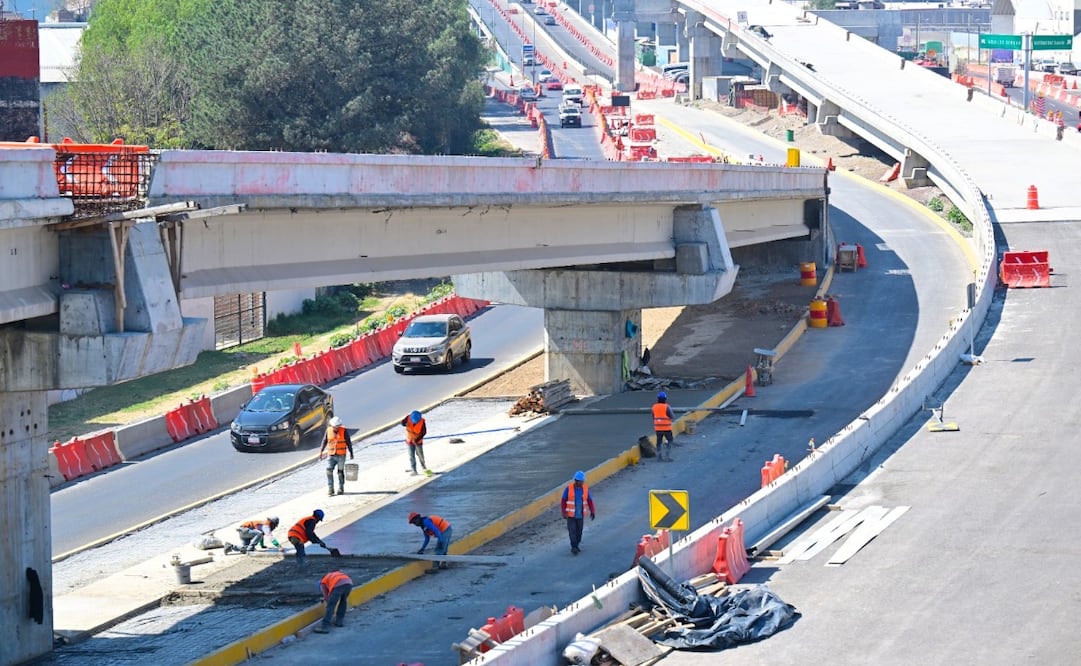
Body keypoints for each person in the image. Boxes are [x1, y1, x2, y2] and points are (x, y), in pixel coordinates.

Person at [561, 470, 595, 555]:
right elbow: (563, 501)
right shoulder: (568, 489)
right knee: (572, 531)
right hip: (571, 515)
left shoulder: (585, 489)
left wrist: (592, 511)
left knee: (579, 531)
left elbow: (589, 501)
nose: (582, 482)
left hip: (580, 515)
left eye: (583, 481)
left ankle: (577, 544)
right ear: (576, 480)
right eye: (581, 481)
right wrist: (564, 512)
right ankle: (574, 547)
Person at [319, 416, 354, 496]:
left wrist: (351, 452)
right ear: (332, 426)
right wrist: (321, 451)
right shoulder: (328, 430)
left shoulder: (344, 431)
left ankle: (341, 488)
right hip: (331, 454)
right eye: (334, 427)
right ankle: (331, 489)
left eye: (337, 426)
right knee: (329, 471)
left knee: (340, 472)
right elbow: (324, 441)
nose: (336, 428)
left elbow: (348, 442)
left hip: (341, 455)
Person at [401, 410, 431, 476]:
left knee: (420, 455)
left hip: (418, 442)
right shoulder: (408, 418)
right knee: (411, 456)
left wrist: (417, 440)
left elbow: (423, 433)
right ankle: (414, 470)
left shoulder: (422, 422)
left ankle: (424, 467)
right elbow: (402, 423)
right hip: (409, 440)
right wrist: (404, 423)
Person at [652, 391, 677, 461]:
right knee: (670, 440)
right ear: (665, 399)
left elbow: (653, 416)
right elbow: (672, 416)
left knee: (658, 442)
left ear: (658, 399)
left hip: (658, 428)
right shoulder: (667, 406)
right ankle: (667, 456)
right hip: (666, 428)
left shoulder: (654, 407)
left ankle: (659, 457)